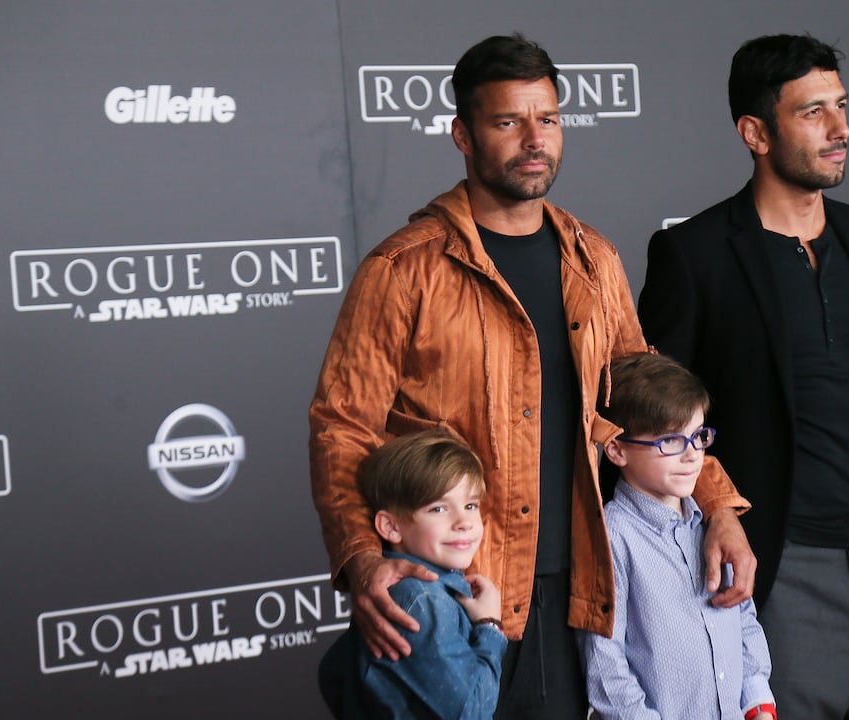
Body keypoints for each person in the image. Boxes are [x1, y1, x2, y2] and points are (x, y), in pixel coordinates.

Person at [308, 34, 755, 719]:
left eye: (546, 119)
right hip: (456, 592)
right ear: (462, 133)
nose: (533, 139)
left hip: (584, 586)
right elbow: (343, 427)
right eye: (507, 121)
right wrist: (364, 558)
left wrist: (718, 505)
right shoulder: (403, 269)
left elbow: (648, 403)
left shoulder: (592, 259)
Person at [636, 34, 849, 719]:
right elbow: (652, 413)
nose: (841, 129)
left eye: (841, 106)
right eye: (812, 113)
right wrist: (720, 512)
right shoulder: (694, 253)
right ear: (756, 132)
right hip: (775, 564)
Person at [578, 353, 776, 720]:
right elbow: (605, 665)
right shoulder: (611, 538)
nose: (691, 456)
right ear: (617, 449)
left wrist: (757, 703)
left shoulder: (711, 527)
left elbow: (743, 617)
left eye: (698, 436)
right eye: (670, 441)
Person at [319, 429, 506, 719]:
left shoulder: (410, 592)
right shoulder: (422, 601)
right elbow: (471, 711)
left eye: (470, 505)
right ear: (390, 527)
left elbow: (331, 673)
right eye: (438, 508)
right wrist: (490, 626)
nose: (464, 522)